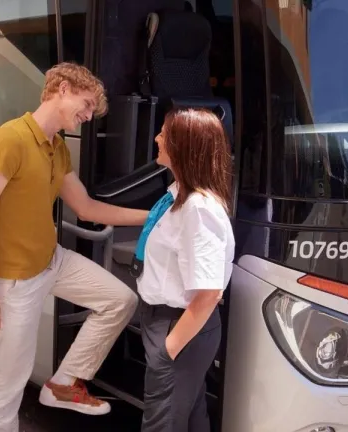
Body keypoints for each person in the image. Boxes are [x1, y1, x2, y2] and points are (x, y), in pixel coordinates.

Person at [0, 61, 149, 432]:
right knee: (9, 378)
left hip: (52, 261)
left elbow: (87, 208)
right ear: (62, 89)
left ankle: (63, 383)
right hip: (14, 280)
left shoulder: (57, 147)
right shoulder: (11, 140)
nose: (89, 115)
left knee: (120, 300)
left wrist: (154, 216)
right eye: (87, 104)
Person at [135, 108, 235, 432]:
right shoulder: (178, 195)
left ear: (184, 146)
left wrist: (169, 351)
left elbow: (209, 294)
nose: (157, 139)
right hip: (167, 323)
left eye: (164, 134)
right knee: (191, 419)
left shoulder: (199, 209)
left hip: (179, 327)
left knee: (161, 424)